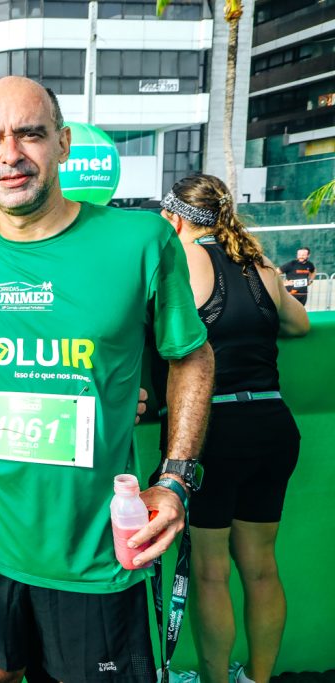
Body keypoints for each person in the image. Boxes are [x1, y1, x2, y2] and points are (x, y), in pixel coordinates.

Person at [0, 76, 215, 683]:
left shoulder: (140, 239)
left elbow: (191, 357)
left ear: (63, 143)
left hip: (97, 549)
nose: (11, 154)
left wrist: (175, 477)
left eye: (30, 134)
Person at [154, 174, 309, 683]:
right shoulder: (260, 265)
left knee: (210, 573)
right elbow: (300, 324)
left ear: (176, 217)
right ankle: (258, 678)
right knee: (261, 568)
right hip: (273, 425)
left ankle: (216, 680)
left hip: (215, 433)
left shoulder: (179, 260)